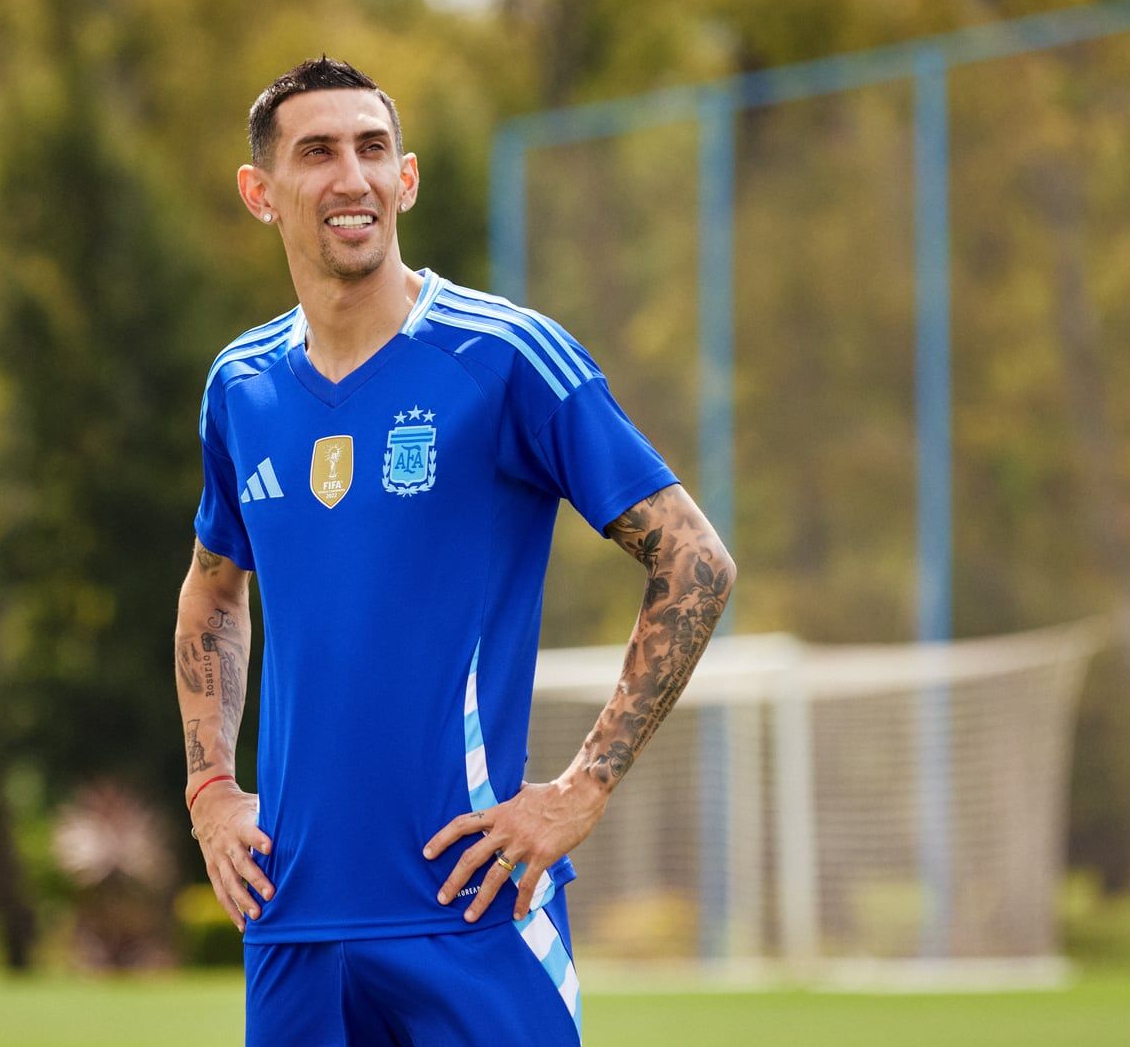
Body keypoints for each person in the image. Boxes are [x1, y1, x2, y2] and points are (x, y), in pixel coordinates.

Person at [176, 56, 734, 1046]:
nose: (352, 176)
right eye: (318, 152)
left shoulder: (506, 357)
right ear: (260, 193)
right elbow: (215, 590)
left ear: (408, 179)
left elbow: (694, 559)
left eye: (372, 148)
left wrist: (580, 790)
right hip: (292, 921)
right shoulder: (240, 388)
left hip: (474, 911)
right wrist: (213, 792)